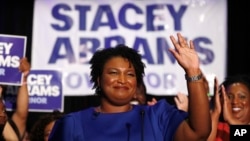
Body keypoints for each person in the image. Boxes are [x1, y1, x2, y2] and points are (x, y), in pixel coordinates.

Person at [49, 33, 211, 141]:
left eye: (130, 74)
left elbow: (199, 132)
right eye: (113, 73)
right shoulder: (71, 124)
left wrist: (193, 71)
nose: (122, 80)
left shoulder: (158, 116)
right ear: (98, 80)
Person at [207, 74, 250, 141]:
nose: (235, 102)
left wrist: (231, 120)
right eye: (229, 97)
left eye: (242, 97)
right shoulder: (217, 128)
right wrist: (215, 113)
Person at [1, 57, 30, 141]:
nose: (3, 113)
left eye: (3, 110)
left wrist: (23, 77)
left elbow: (21, 115)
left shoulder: (9, 132)